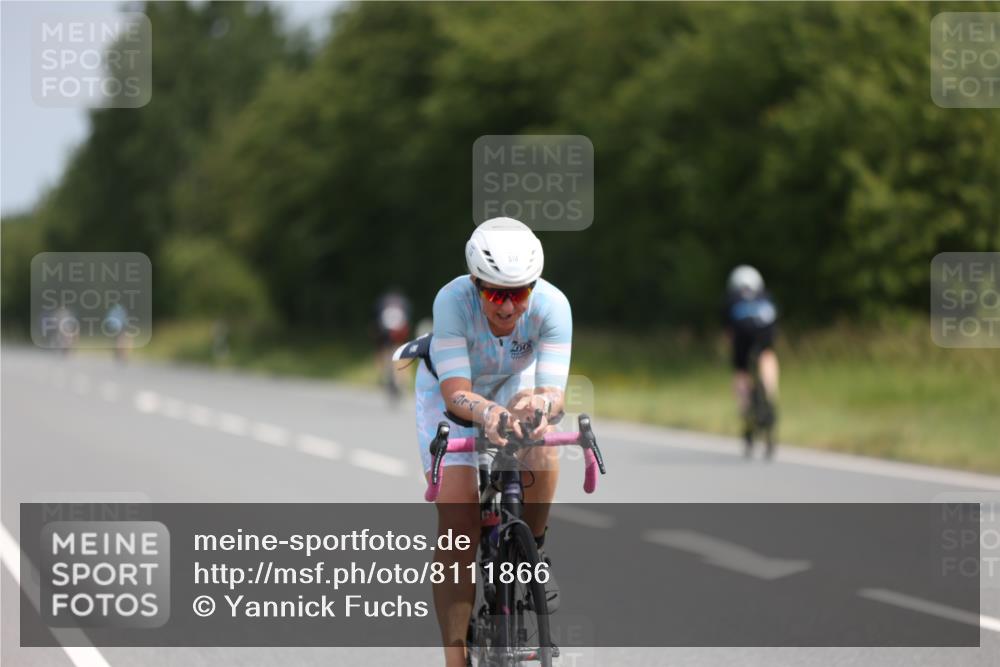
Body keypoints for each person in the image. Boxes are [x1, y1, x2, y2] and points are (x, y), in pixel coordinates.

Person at [415, 217, 571, 667]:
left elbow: (554, 394)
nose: (507, 306)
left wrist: (538, 404)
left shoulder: (554, 306)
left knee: (542, 446)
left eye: (519, 293)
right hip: (453, 394)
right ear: (475, 283)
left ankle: (533, 550)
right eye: (496, 293)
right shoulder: (452, 300)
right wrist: (486, 412)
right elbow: (456, 392)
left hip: (512, 385)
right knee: (459, 519)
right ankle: (455, 656)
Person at [723, 265, 779, 451]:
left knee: (741, 371)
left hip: (742, 333)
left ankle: (746, 408)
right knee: (767, 355)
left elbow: (729, 332)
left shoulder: (733, 298)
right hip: (764, 331)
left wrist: (735, 353)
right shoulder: (765, 295)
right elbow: (774, 321)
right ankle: (770, 395)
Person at [374, 289, 412, 399]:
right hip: (400, 331)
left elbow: (377, 318)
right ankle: (403, 378)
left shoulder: (382, 302)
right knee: (402, 352)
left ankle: (383, 376)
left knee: (383, 351)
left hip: (385, 331)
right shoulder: (403, 302)